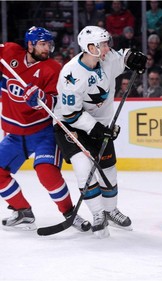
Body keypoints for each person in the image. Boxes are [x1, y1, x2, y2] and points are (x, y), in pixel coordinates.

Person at [53, 26, 147, 238]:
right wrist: (98, 130)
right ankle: (98, 214)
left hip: (101, 127)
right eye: (103, 44)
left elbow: (123, 57)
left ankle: (111, 210)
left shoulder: (107, 59)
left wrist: (135, 58)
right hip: (71, 127)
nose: (107, 48)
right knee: (83, 169)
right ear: (90, 47)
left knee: (109, 171)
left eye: (106, 43)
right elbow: (70, 115)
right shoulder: (70, 74)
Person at [0, 26, 90, 231]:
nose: (47, 48)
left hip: (43, 132)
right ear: (30, 44)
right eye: (42, 44)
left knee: (46, 171)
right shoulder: (10, 52)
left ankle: (69, 213)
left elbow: (60, 102)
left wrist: (43, 98)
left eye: (49, 44)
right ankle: (22, 211)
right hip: (15, 134)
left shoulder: (53, 69)